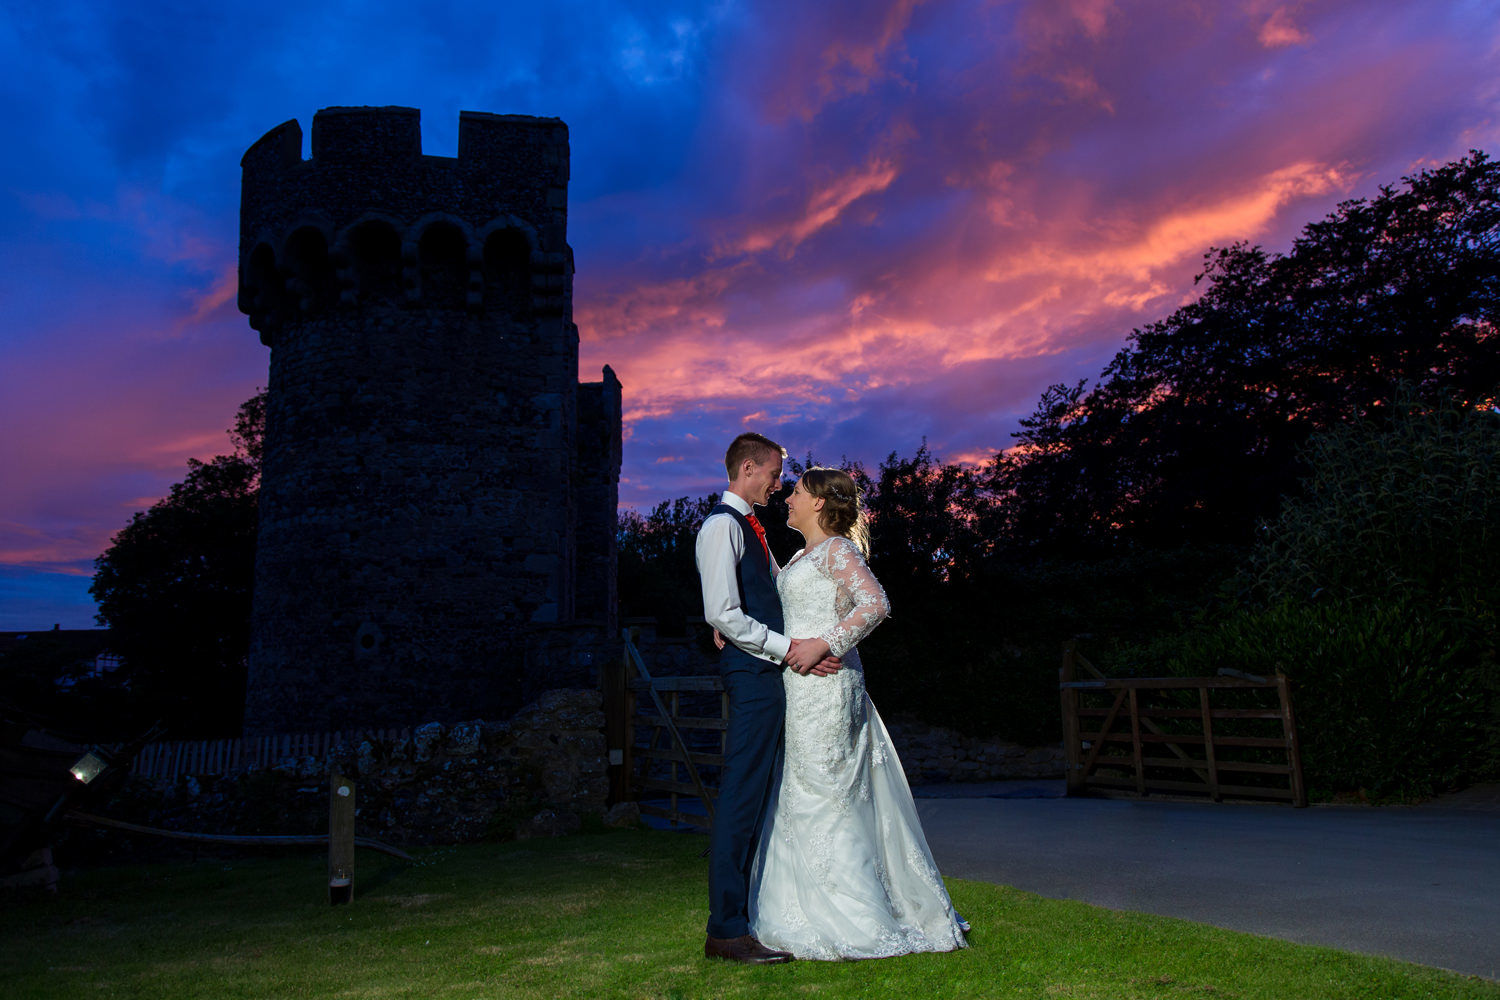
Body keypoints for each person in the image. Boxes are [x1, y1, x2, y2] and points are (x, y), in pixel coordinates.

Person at [748, 467, 969, 960]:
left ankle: (855, 913)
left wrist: (826, 643)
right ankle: (800, 906)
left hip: (828, 683)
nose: (788, 498)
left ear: (820, 503)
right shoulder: (801, 555)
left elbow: (875, 604)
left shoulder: (838, 551)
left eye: (797, 492)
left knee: (829, 787)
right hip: (800, 686)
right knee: (802, 785)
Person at [695, 433, 841, 965]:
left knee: (760, 795)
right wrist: (787, 648)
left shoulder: (751, 528)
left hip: (765, 671)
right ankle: (726, 930)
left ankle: (750, 914)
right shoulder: (719, 527)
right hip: (754, 678)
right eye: (775, 473)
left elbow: (751, 602)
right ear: (749, 468)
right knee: (741, 795)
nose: (779, 484)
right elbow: (724, 614)